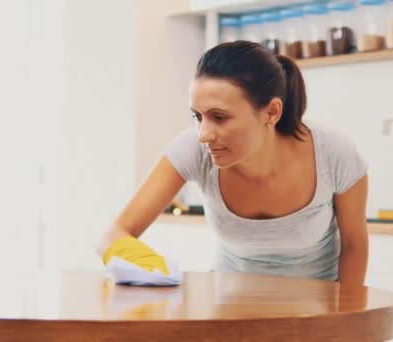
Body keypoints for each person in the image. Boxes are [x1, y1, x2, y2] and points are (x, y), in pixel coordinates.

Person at [96, 41, 369, 284]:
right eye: (197, 117)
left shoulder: (334, 153)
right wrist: (152, 266)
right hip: (230, 313)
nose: (204, 134)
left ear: (271, 112)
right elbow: (114, 233)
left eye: (220, 117)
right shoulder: (195, 148)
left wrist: (347, 321)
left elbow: (355, 245)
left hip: (316, 315)